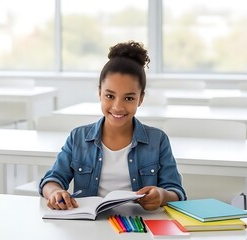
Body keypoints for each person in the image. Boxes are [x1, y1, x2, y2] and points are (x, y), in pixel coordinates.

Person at [38, 40, 186, 211]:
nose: (118, 107)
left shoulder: (157, 140)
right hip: (90, 225)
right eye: (110, 96)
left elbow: (176, 191)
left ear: (141, 98)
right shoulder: (77, 138)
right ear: (100, 92)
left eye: (129, 98)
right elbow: (52, 180)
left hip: (138, 225)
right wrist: (55, 192)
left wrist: (161, 195)